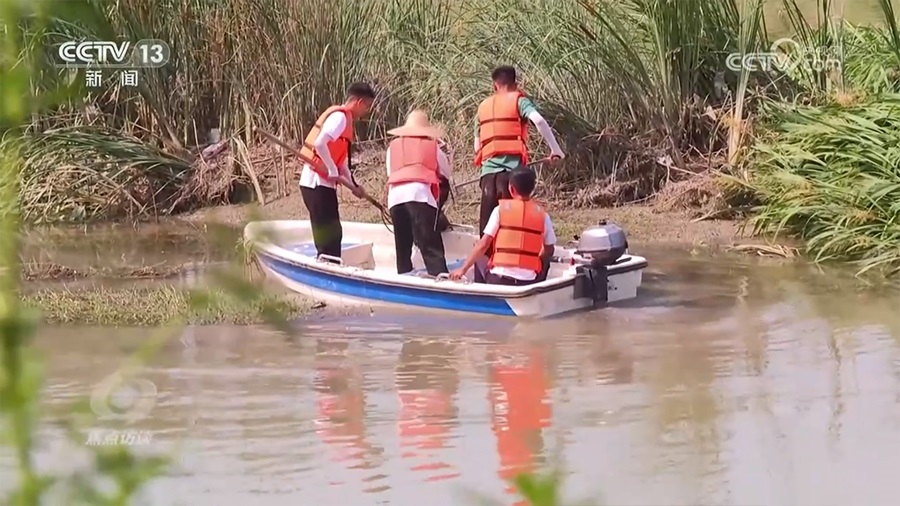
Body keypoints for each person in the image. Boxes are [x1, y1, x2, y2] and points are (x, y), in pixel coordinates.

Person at [473, 66, 564, 279]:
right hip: (510, 178)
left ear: (495, 85)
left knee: (487, 231)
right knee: (513, 226)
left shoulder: (482, 107)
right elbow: (538, 120)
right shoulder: (519, 101)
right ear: (515, 83)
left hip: (488, 177)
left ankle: (483, 280)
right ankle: (520, 273)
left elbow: (477, 147)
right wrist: (555, 149)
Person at [298, 82, 376, 258]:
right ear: (359, 102)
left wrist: (354, 186)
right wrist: (331, 168)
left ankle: (331, 263)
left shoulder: (346, 122)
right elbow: (320, 143)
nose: (366, 111)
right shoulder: (340, 118)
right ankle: (326, 265)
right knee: (327, 235)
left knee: (334, 234)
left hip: (325, 185)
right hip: (315, 183)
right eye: (367, 106)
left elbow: (342, 163)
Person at [449, 168, 555, 285]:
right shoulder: (543, 215)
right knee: (546, 259)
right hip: (528, 281)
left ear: (511, 188)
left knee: (479, 255)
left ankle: (481, 288)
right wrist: (535, 259)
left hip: (499, 279)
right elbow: (549, 249)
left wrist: (462, 270)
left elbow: (484, 245)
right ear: (532, 189)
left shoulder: (500, 210)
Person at [385, 110, 451, 276]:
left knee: (402, 246)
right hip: (419, 196)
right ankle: (440, 277)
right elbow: (446, 174)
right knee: (431, 247)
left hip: (395, 198)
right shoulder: (433, 147)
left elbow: (390, 172)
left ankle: (404, 276)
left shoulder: (393, 147)